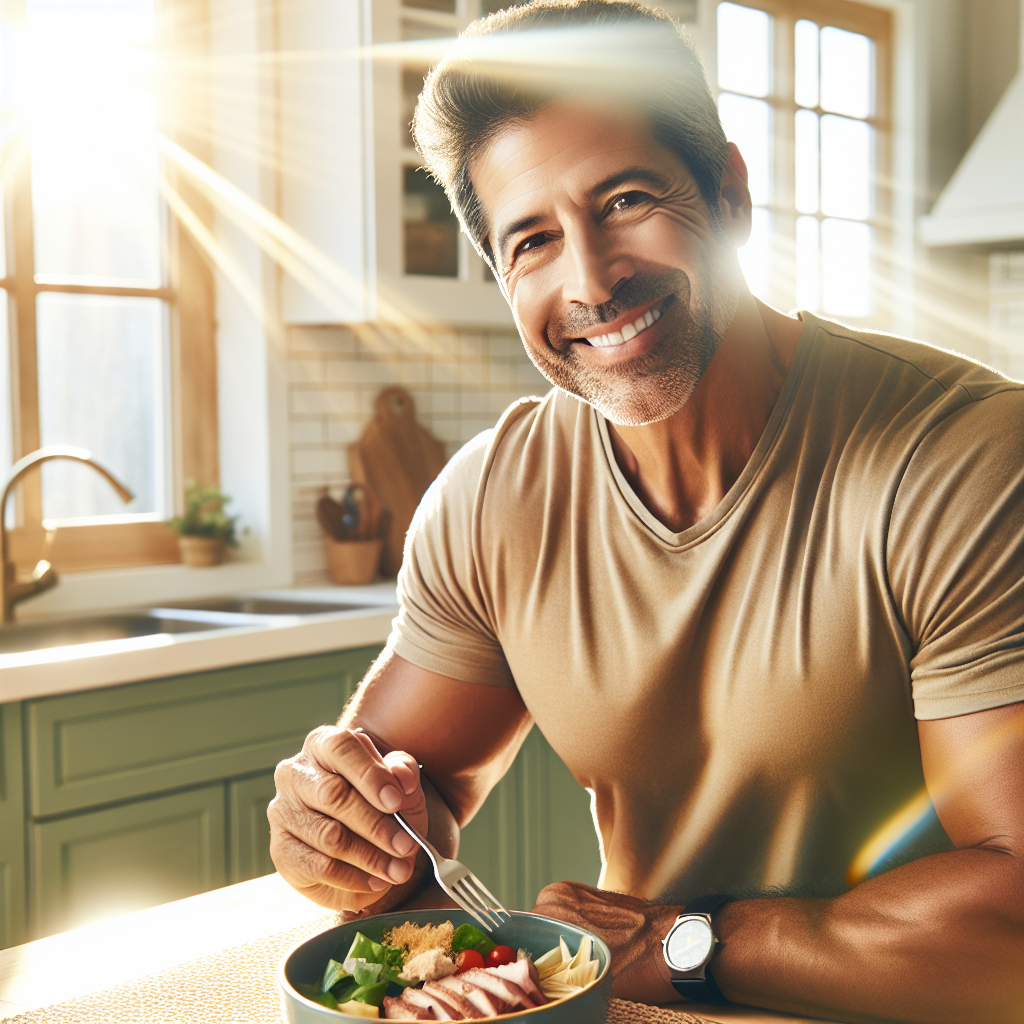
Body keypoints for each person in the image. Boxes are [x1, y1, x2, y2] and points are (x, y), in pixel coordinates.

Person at [268, 3, 1024, 1021]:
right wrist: (335, 829)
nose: (590, 280)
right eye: (532, 240)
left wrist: (679, 939)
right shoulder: (493, 497)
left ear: (728, 192)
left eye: (624, 200)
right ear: (501, 277)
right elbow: (400, 812)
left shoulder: (965, 458)